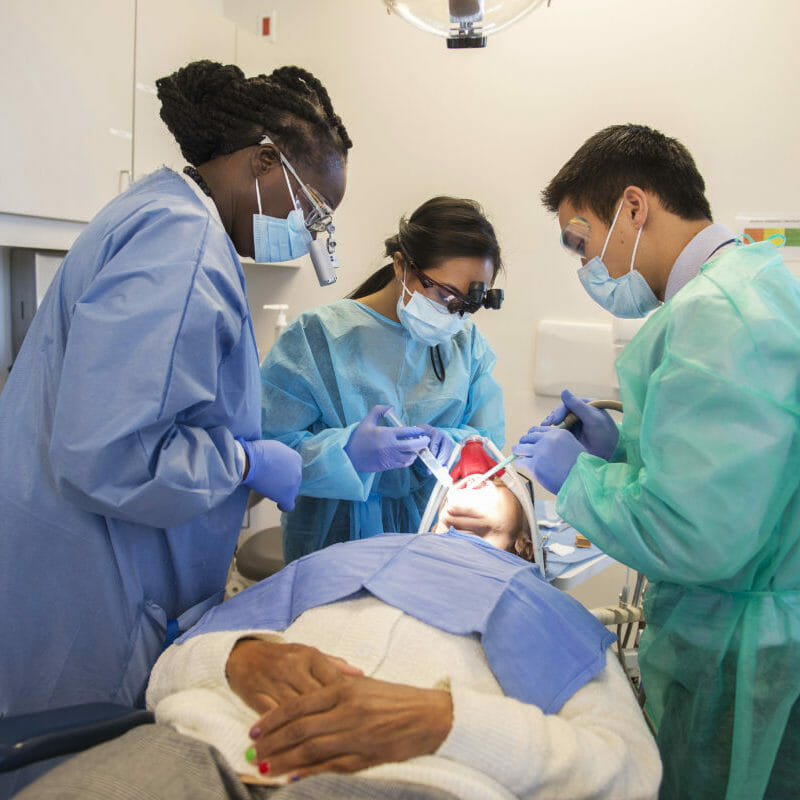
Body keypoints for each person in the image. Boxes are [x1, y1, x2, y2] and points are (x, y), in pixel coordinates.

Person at [0, 59, 351, 795]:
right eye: (314, 208)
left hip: (77, 559)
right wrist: (246, 465)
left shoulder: (164, 214)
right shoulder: (181, 242)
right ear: (262, 162)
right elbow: (110, 455)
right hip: (90, 587)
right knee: (68, 774)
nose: (315, 233)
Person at [512, 123, 800, 799]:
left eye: (581, 243)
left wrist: (578, 477)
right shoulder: (758, 284)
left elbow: (697, 535)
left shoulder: (714, 317)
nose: (588, 269)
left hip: (739, 652)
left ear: (635, 208)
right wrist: (626, 453)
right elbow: (744, 475)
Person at [15, 514, 662, 800]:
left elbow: (629, 773)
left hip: (409, 783)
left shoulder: (544, 611)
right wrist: (238, 657)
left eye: (489, 524)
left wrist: (447, 723)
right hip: (200, 752)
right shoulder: (328, 572)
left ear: (522, 551)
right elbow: (166, 677)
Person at [259, 196, 505, 562]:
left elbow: (491, 447)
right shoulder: (319, 337)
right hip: (334, 552)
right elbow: (266, 451)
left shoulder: (466, 346)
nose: (453, 318)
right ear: (402, 265)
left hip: (435, 552)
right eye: (446, 296)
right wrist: (346, 453)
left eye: (465, 307)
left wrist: (455, 446)